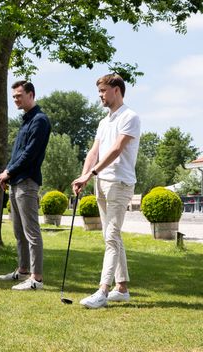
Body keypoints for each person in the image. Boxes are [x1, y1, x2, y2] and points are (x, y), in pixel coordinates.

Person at [72, 73, 141, 309]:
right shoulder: (104, 121)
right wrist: (84, 175)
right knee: (110, 237)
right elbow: (94, 151)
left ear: (117, 90)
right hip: (102, 182)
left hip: (120, 183)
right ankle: (121, 288)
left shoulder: (130, 117)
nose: (100, 95)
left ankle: (102, 291)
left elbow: (116, 150)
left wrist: (92, 174)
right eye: (99, 91)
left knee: (111, 237)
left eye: (103, 91)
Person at [0, 80, 52, 291]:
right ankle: (23, 271)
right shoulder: (26, 121)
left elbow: (29, 154)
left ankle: (36, 279)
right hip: (16, 182)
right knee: (18, 231)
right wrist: (7, 174)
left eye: (19, 95)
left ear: (31, 94)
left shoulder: (40, 120)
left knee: (31, 232)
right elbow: (17, 153)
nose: (16, 100)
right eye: (14, 97)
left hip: (27, 182)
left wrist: (9, 171)